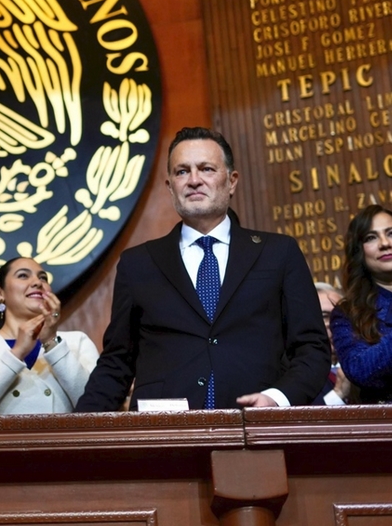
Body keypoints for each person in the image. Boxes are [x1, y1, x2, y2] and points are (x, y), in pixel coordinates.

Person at [76, 127, 330, 411]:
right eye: (182, 171)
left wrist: (278, 398)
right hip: (164, 437)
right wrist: (73, 436)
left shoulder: (278, 253)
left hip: (256, 429)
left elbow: (312, 349)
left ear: (232, 181)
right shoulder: (138, 263)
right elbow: (117, 362)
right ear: (170, 186)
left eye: (206, 169)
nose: (194, 180)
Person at [0, 258, 99, 415]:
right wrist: (17, 353)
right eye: (23, 276)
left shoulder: (77, 342)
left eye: (43, 278)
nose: (37, 282)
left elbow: (97, 409)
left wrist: (51, 342)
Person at [330, 205, 392, 404]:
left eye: (391, 233)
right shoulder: (348, 313)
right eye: (371, 238)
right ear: (359, 251)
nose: (385, 243)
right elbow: (359, 370)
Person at [316, 282, 352, 405]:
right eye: (325, 316)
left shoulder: (364, 364)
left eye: (342, 317)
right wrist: (338, 394)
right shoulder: (291, 375)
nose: (335, 325)